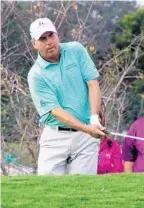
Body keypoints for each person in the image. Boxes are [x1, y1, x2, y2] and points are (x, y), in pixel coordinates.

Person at [27, 17, 105, 175]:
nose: (49, 41)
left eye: (51, 35)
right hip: (55, 137)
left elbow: (93, 84)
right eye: (43, 38)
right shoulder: (36, 75)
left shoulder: (75, 50)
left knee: (83, 189)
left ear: (57, 35)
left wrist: (94, 119)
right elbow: (56, 111)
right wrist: (87, 129)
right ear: (34, 43)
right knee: (48, 190)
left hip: (85, 138)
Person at [97, 100, 123, 174]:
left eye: (101, 116)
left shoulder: (113, 145)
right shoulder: (81, 143)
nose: (99, 119)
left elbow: (118, 172)